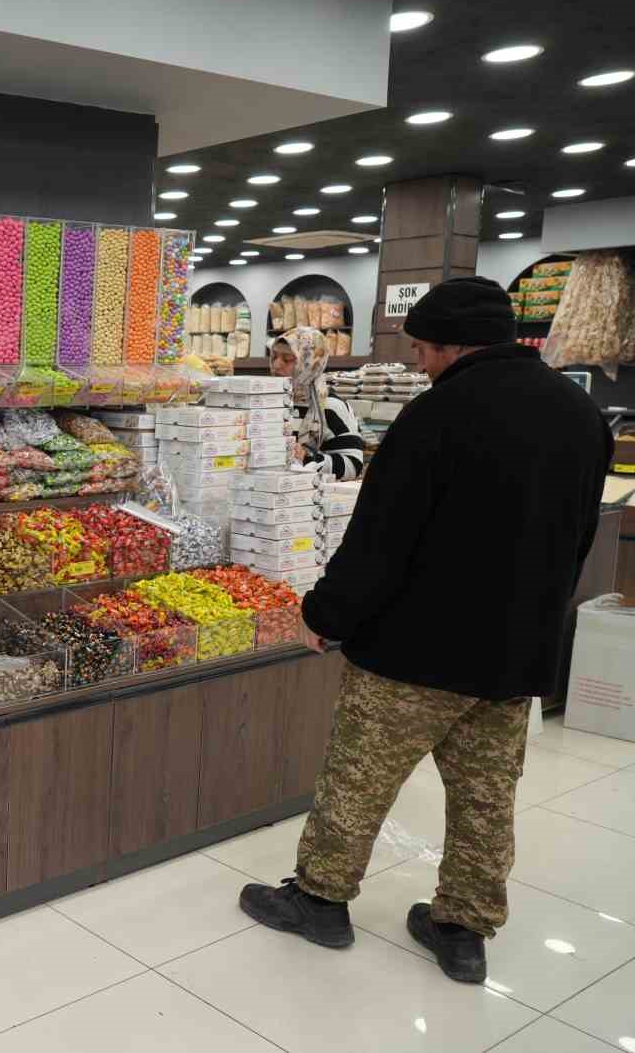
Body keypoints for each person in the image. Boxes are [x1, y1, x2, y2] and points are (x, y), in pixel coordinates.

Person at [238, 276, 612, 983]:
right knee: (486, 797)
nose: (418, 362)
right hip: (514, 654)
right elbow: (580, 536)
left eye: (421, 349)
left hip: (415, 651)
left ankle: (320, 900)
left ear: (451, 345)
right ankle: (463, 928)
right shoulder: (580, 413)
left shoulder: (436, 416)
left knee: (359, 778)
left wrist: (324, 615)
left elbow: (381, 539)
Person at [268, 326, 365, 480]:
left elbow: (353, 466)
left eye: (287, 359)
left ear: (310, 363)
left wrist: (307, 457)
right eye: (274, 357)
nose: (276, 365)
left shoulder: (330, 406)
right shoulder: (269, 401)